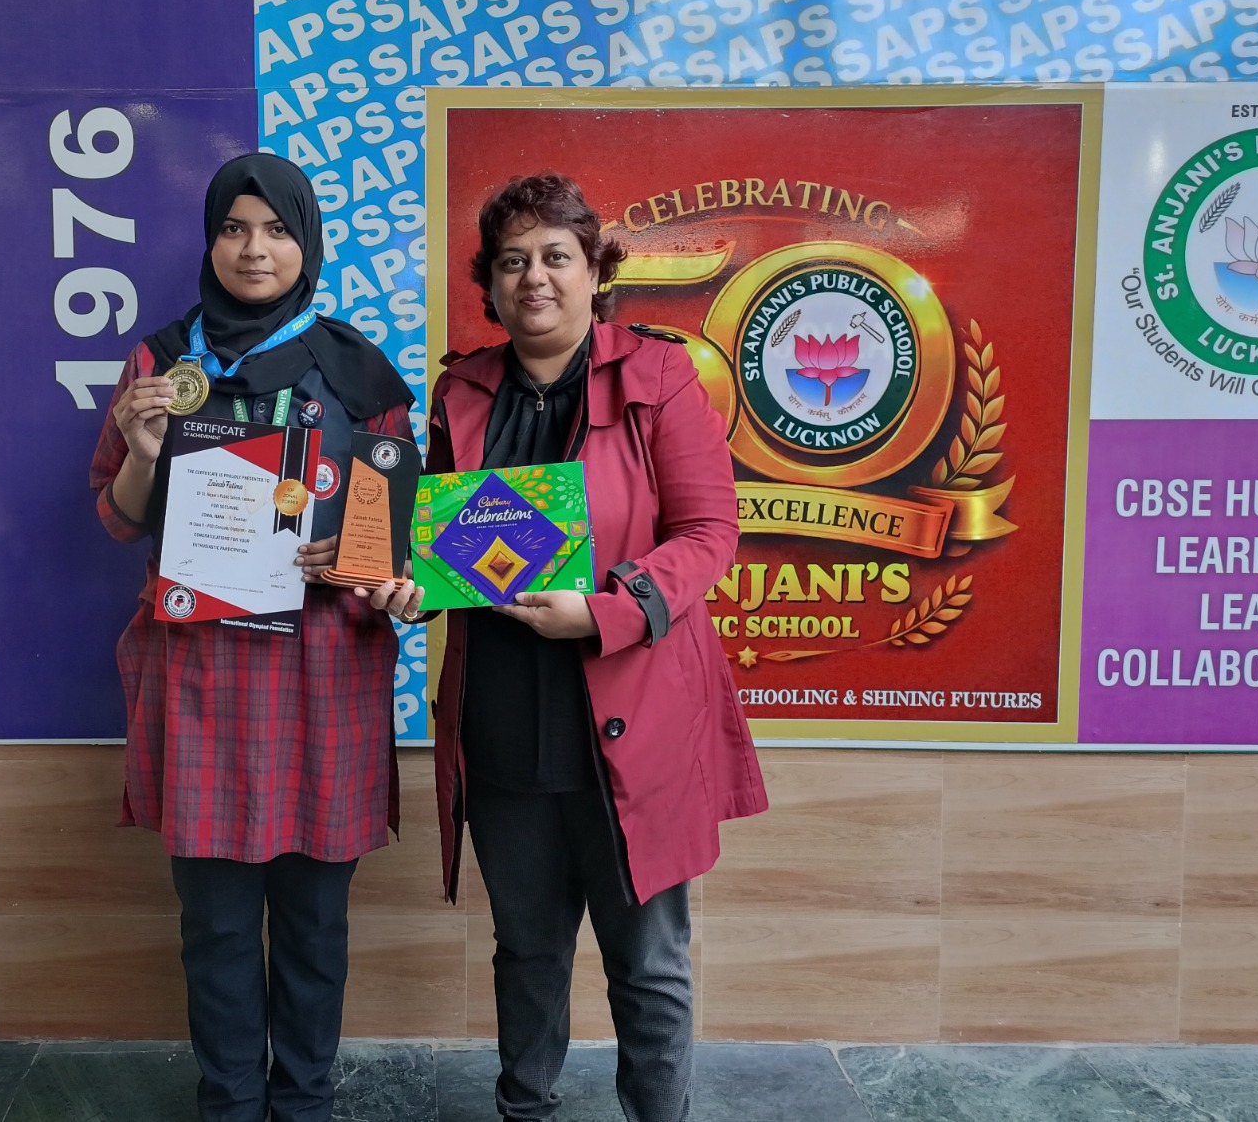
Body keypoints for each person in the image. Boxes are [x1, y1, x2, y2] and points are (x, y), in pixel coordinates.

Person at [371, 172, 767, 1122]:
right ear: (489, 283)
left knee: (648, 962)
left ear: (596, 272)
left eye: (556, 256)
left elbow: (710, 535)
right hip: (504, 723)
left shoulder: (660, 377)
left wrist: (606, 611)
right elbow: (441, 550)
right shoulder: (460, 391)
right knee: (527, 952)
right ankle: (525, 1110)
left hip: (632, 724)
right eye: (513, 261)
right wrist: (408, 590)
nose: (534, 278)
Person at [89, 153, 414, 1122]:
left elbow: (396, 539)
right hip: (200, 671)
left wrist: (357, 557)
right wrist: (142, 451)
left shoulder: (360, 369)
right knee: (218, 925)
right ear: (211, 241)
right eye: (233, 228)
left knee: (315, 922)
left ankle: (303, 1101)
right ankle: (229, 1103)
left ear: (306, 241)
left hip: (326, 671)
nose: (254, 249)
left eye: (275, 229)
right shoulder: (159, 364)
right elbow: (117, 517)